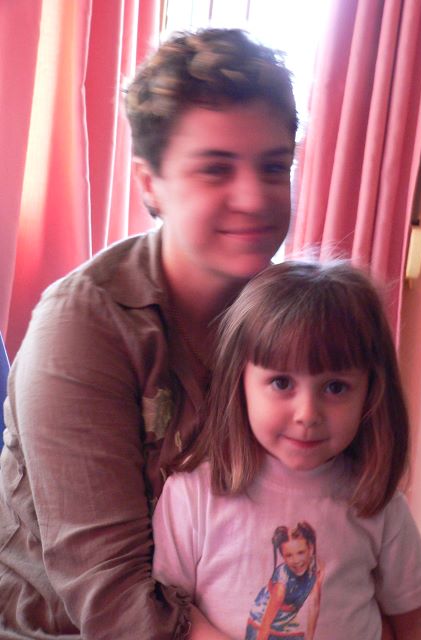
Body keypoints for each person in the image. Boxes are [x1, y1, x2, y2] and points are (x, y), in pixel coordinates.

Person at [0, 28, 297, 639]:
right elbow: (111, 600)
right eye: (215, 170)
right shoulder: (82, 329)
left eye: (274, 167)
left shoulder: (290, 315)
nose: (253, 198)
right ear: (148, 183)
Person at [152, 260, 421, 640]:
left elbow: (417, 620)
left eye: (335, 387)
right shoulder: (193, 494)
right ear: (239, 382)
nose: (307, 414)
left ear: (370, 392)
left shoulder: (377, 501)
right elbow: (168, 610)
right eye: (281, 383)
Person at [245, 522, 324, 640]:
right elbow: (266, 622)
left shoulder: (316, 567)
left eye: (301, 552)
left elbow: (314, 604)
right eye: (289, 555)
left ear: (311, 549)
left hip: (282, 628)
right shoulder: (282, 582)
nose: (296, 560)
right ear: (283, 556)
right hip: (260, 627)